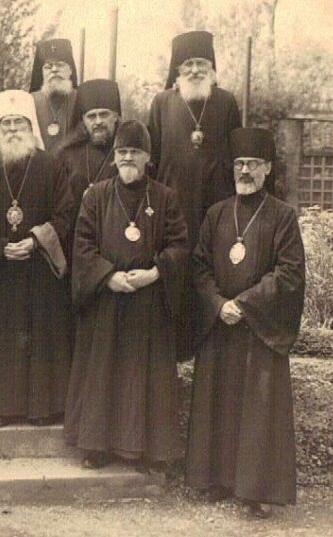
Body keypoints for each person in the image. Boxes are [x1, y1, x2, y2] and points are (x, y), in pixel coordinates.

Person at [187, 127, 305, 519]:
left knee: (256, 412)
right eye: (239, 164)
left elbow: (288, 275)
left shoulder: (283, 217)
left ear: (268, 169)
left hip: (258, 329)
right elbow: (199, 267)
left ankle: (253, 491)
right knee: (218, 403)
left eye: (253, 164)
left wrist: (245, 304)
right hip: (221, 326)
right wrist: (219, 304)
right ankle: (215, 480)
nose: (245, 171)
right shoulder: (216, 214)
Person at [63, 120, 190, 472]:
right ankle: (96, 447)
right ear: (114, 157)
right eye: (121, 152)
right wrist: (107, 276)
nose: (127, 158)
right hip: (107, 300)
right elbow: (82, 245)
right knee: (103, 371)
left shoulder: (165, 197)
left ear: (148, 157)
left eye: (134, 152)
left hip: (149, 302)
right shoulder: (97, 195)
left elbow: (180, 245)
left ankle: (148, 452)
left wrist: (156, 272)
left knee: (143, 376)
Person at [0, 89, 75, 427]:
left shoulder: (50, 165)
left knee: (40, 334)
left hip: (38, 269)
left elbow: (65, 213)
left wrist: (34, 240)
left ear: (31, 127)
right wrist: (0, 246)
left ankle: (42, 408)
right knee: (1, 338)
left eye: (19, 122)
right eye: (7, 123)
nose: (13, 129)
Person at [148, 30, 241, 248]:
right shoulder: (162, 103)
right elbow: (153, 157)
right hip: (172, 200)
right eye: (188, 64)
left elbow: (236, 153)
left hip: (216, 200)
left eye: (201, 63)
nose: (195, 70)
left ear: (211, 67)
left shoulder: (226, 102)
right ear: (177, 69)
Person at [55, 78, 122, 217]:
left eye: (104, 114)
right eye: (91, 116)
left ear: (115, 116)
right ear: (83, 120)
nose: (98, 121)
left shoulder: (127, 151)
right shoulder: (67, 155)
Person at [29, 38, 79, 155]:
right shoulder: (31, 100)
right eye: (48, 66)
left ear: (70, 70)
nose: (54, 70)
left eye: (60, 65)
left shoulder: (81, 98)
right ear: (41, 73)